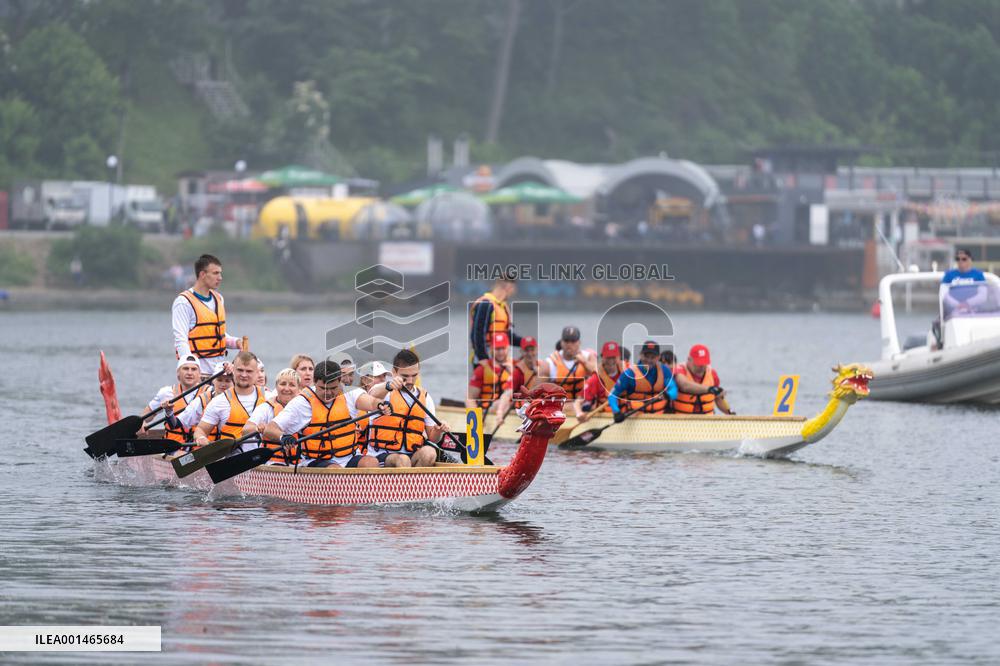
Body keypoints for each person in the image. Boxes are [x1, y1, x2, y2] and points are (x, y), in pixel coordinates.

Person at [263, 360, 383, 468]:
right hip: (316, 461)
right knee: (334, 469)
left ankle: (365, 492)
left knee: (371, 462)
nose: (328, 393)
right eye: (323, 388)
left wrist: (380, 405)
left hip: (349, 457)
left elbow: (372, 402)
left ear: (340, 381)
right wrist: (283, 437)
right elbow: (270, 429)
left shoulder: (350, 394)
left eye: (333, 388)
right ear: (314, 382)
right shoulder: (302, 403)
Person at [367, 349, 451, 468]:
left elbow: (433, 438)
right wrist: (388, 385)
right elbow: (371, 395)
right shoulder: (384, 391)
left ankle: (413, 485)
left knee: (429, 453)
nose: (410, 381)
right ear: (394, 373)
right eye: (405, 376)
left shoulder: (425, 397)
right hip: (382, 455)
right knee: (403, 460)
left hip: (410, 455)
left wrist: (438, 430)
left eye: (414, 375)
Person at [172, 254, 243, 377]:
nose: (220, 278)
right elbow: (180, 340)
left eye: (220, 273)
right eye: (215, 273)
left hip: (220, 374)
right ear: (202, 274)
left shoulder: (218, 298)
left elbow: (217, 336)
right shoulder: (183, 302)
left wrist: (236, 343)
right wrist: (192, 370)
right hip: (198, 375)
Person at [192, 351, 266, 446]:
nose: (244, 375)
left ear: (256, 373)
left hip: (264, 458)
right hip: (232, 457)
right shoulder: (219, 401)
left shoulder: (268, 397)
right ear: (233, 371)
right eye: (240, 370)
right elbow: (201, 430)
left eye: (249, 371)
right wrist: (201, 437)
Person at [243, 367, 301, 465]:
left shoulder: (304, 408)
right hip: (271, 461)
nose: (287, 388)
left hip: (299, 462)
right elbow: (245, 430)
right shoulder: (266, 408)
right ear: (276, 387)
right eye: (282, 384)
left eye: (292, 385)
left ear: (299, 389)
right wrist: (257, 428)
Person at [608, 341, 678, 420]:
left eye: (653, 357)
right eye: (646, 356)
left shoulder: (664, 370)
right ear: (640, 355)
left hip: (659, 418)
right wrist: (616, 412)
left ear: (658, 358)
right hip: (636, 419)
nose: (649, 360)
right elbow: (612, 395)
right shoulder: (629, 374)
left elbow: (674, 390)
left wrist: (668, 395)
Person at [143, 355, 203, 443]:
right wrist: (142, 422)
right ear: (178, 373)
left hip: (199, 446)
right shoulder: (166, 392)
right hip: (174, 447)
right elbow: (146, 416)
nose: (190, 373)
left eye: (194, 369)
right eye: (185, 368)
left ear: (199, 374)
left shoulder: (208, 393)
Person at [466, 332, 519, 426]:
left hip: (512, 408)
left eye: (503, 348)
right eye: (497, 349)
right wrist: (476, 421)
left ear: (508, 348)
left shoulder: (516, 366)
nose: (501, 352)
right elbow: (470, 398)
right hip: (488, 410)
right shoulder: (482, 369)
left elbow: (527, 389)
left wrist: (513, 372)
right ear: (491, 350)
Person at [469, 276, 520, 364]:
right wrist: (483, 358)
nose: (513, 293)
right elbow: (477, 334)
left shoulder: (503, 307)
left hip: (499, 356)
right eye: (512, 289)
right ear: (508, 287)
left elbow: (506, 335)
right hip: (485, 356)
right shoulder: (486, 304)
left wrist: (524, 342)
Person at [672, 344, 734, 415]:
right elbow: (684, 385)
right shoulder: (679, 370)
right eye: (698, 363)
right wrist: (710, 389)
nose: (701, 366)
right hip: (682, 421)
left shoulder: (712, 374)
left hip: (706, 421)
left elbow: (718, 398)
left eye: (704, 363)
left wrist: (730, 413)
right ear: (689, 359)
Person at [172, 361, 234, 433]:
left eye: (227, 381)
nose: (223, 384)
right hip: (205, 443)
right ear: (213, 381)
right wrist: (169, 412)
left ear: (233, 382)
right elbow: (175, 424)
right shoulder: (203, 400)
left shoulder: (241, 399)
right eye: (219, 380)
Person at [543, 326, 594, 406]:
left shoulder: (588, 357)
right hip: (560, 408)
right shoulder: (550, 362)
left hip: (582, 408)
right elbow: (537, 392)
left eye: (573, 341)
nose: (569, 345)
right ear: (561, 343)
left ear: (579, 343)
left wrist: (584, 362)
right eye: (566, 341)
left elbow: (600, 377)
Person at [576, 341, 625, 423]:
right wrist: (579, 413)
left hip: (624, 415)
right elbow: (578, 401)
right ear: (602, 358)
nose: (611, 361)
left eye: (614, 357)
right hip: (605, 418)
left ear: (619, 358)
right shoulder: (595, 379)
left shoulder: (627, 372)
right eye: (608, 357)